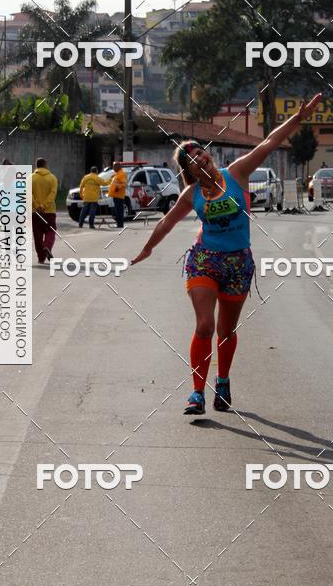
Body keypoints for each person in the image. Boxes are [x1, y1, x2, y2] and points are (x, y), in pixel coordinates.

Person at [132, 93, 323, 418]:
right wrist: (147, 249)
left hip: (238, 264)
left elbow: (270, 143)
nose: (201, 160)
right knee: (205, 326)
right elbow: (166, 222)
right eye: (194, 160)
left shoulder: (236, 174)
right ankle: (196, 393)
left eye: (203, 154)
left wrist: (298, 118)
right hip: (204, 260)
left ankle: (222, 381)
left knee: (226, 331)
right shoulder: (191, 194)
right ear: (189, 170)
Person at [32, 157, 58, 265]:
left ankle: (41, 257)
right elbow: (52, 194)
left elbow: (28, 194)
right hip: (49, 211)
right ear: (46, 165)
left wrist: (37, 205)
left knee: (37, 235)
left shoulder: (30, 178)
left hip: (35, 212)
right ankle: (47, 246)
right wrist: (44, 205)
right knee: (51, 230)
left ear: (36, 166)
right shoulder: (52, 178)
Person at [108, 161, 127, 229]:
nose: (113, 168)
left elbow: (124, 184)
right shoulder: (117, 174)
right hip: (116, 195)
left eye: (114, 166)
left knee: (119, 210)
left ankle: (120, 224)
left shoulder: (121, 174)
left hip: (119, 195)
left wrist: (117, 188)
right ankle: (119, 224)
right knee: (117, 210)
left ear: (118, 166)